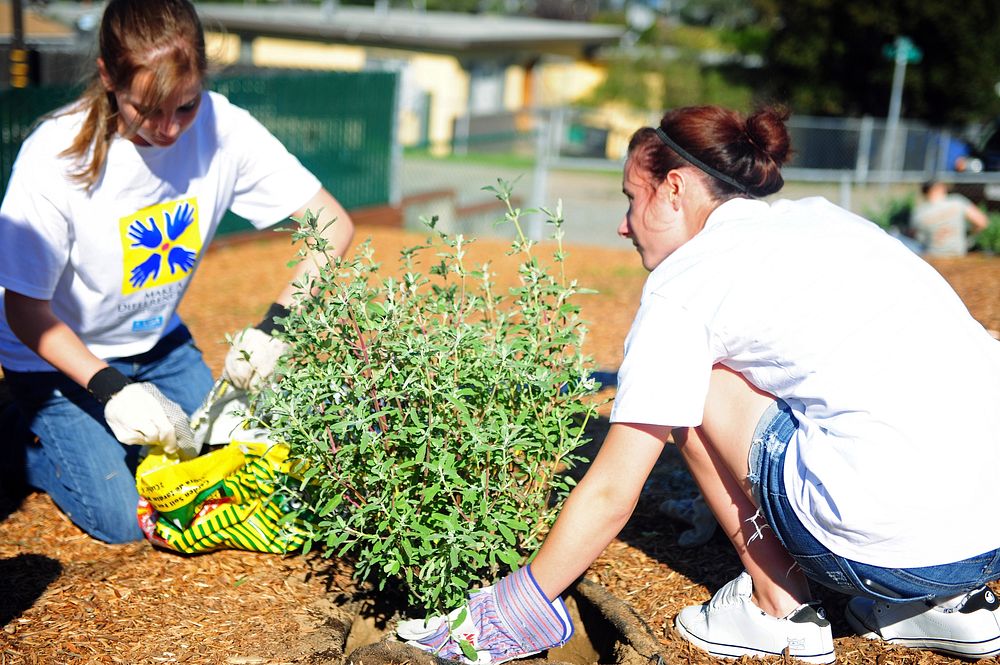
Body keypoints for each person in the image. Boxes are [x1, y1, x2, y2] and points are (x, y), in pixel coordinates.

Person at [396, 105, 1000, 664]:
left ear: (675, 188)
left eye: (632, 198)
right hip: (985, 540)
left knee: (698, 377)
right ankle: (945, 605)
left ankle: (777, 607)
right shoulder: (826, 220)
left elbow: (611, 491)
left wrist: (515, 609)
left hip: (875, 548)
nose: (623, 226)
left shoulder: (687, 282)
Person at [0, 0, 354, 544]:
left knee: (228, 465)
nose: (169, 129)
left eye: (185, 107)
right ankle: (17, 442)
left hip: (158, 346)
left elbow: (333, 226)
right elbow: (24, 310)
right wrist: (110, 388)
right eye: (147, 109)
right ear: (107, 77)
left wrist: (275, 328)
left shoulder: (225, 129)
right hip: (54, 358)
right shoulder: (53, 158)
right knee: (124, 518)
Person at [911, 180, 989, 257]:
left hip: (932, 256)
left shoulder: (919, 212)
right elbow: (982, 222)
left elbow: (915, 236)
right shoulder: (957, 201)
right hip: (957, 254)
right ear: (941, 188)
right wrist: (969, 236)